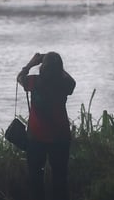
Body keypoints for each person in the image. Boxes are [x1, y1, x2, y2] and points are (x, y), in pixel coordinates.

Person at [17, 52, 76, 200]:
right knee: (60, 179)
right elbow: (72, 82)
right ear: (60, 68)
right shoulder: (65, 84)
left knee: (35, 180)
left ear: (42, 68)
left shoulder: (33, 81)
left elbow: (20, 77)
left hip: (36, 139)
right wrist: (58, 67)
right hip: (60, 138)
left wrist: (31, 63)